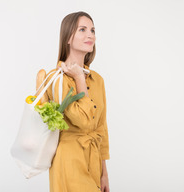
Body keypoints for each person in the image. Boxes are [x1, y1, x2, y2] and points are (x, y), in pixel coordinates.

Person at [45, 11, 110, 192]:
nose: (90, 35)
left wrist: (104, 173)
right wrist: (79, 79)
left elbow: (101, 128)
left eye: (92, 30)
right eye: (82, 30)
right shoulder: (56, 79)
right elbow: (83, 120)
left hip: (94, 161)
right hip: (69, 161)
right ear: (68, 37)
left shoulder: (98, 80)